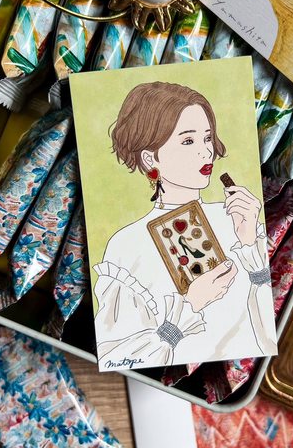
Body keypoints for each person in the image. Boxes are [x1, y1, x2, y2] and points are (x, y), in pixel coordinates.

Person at [93, 81, 276, 369]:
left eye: (208, 138)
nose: (206, 152)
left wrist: (251, 247)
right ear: (150, 158)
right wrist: (191, 304)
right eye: (188, 141)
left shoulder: (238, 218)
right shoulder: (127, 245)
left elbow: (267, 337)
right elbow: (115, 357)